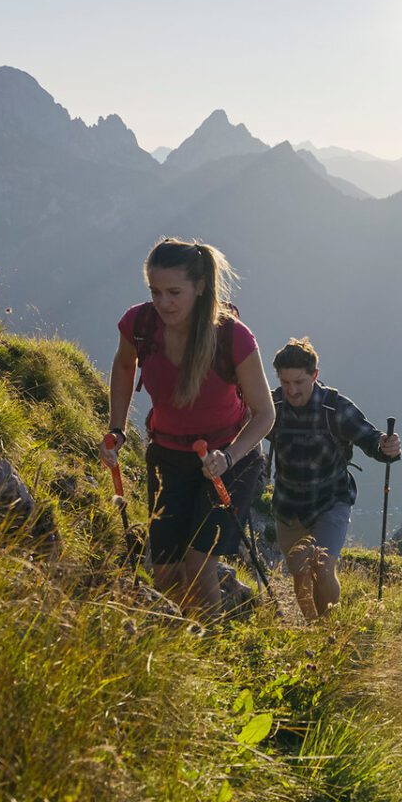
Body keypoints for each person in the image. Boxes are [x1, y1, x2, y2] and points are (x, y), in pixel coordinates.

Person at [102, 237, 275, 618]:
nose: (164, 303)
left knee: (198, 569)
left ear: (199, 287)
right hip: (168, 455)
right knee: (164, 574)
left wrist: (228, 458)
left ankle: (209, 650)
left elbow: (264, 414)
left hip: (230, 459)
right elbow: (124, 366)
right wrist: (117, 428)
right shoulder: (140, 324)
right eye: (156, 291)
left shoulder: (233, 336)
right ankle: (180, 648)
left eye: (174, 292)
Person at [266, 337, 400, 620]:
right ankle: (313, 631)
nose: (292, 390)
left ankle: (331, 629)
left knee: (322, 566)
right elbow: (244, 428)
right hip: (288, 507)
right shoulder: (271, 404)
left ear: (315, 375)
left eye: (299, 382)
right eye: (286, 382)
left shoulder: (335, 408)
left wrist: (386, 447)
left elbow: (370, 439)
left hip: (330, 502)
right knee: (299, 572)